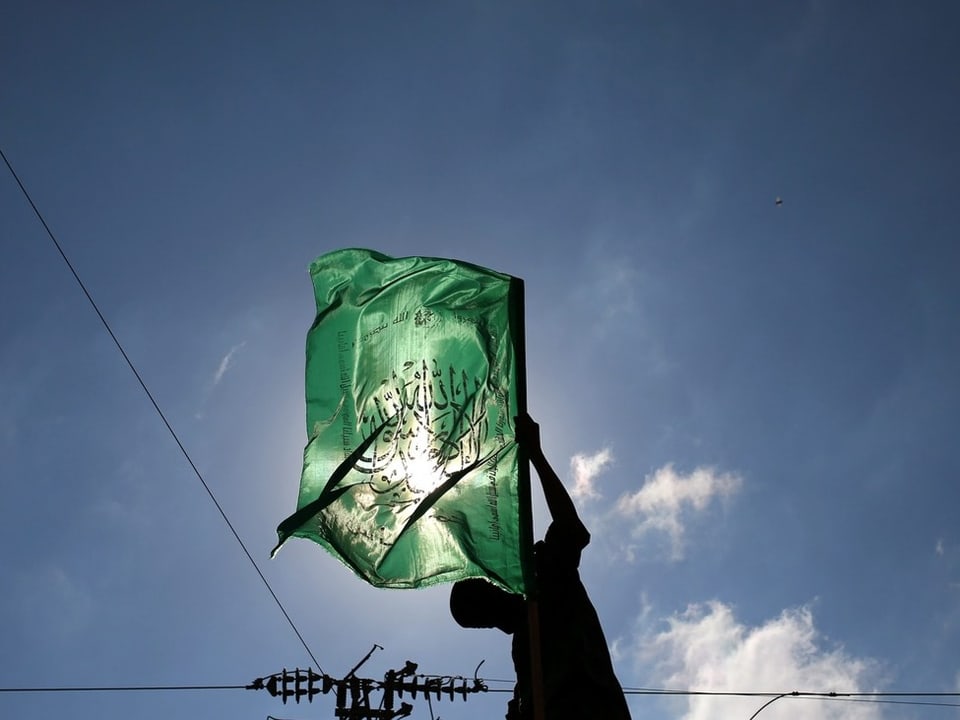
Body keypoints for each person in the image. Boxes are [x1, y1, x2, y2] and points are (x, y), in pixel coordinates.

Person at [450, 414, 632, 720]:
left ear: (496, 586)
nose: (494, 622)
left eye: (485, 609)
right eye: (483, 621)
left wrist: (536, 454)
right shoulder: (523, 647)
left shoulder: (546, 579)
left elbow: (571, 529)